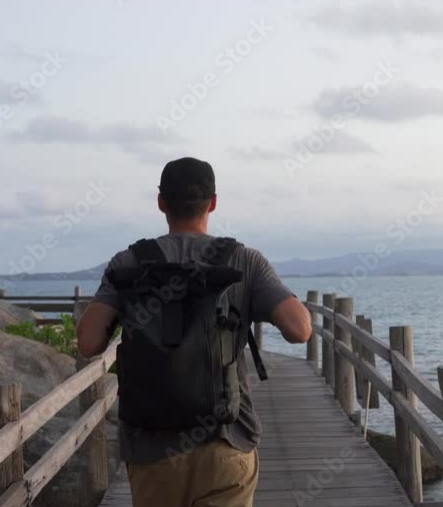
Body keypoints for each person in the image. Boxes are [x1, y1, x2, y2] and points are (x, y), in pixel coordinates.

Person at [76, 156, 312, 507]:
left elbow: (88, 342)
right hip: (225, 441)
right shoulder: (244, 260)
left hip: (152, 450)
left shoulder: (129, 263)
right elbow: (300, 329)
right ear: (213, 203)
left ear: (161, 203)